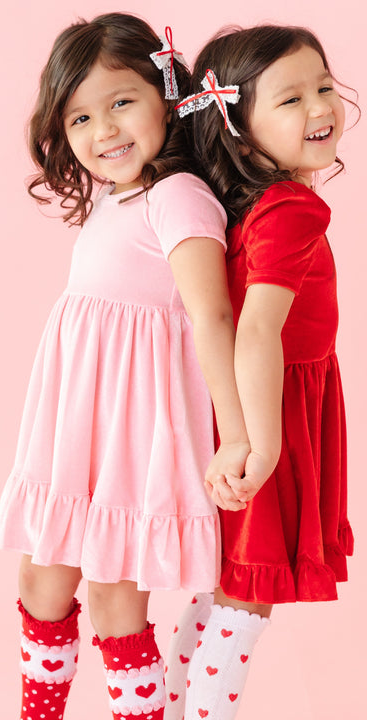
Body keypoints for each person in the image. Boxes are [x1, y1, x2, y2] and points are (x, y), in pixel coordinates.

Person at [0, 13, 249, 720]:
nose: (103, 130)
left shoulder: (179, 197)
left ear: (168, 97)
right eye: (79, 117)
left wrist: (234, 433)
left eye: (121, 103)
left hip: (133, 436)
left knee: (112, 597)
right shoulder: (114, 197)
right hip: (77, 425)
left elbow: (213, 316)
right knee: (41, 578)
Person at [164, 25, 354, 720]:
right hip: (275, 407)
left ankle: (173, 704)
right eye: (291, 98)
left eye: (324, 88)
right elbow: (256, 331)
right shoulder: (293, 208)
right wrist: (262, 443)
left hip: (256, 403)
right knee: (247, 596)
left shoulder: (257, 203)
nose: (320, 108)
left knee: (227, 589)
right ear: (239, 132)